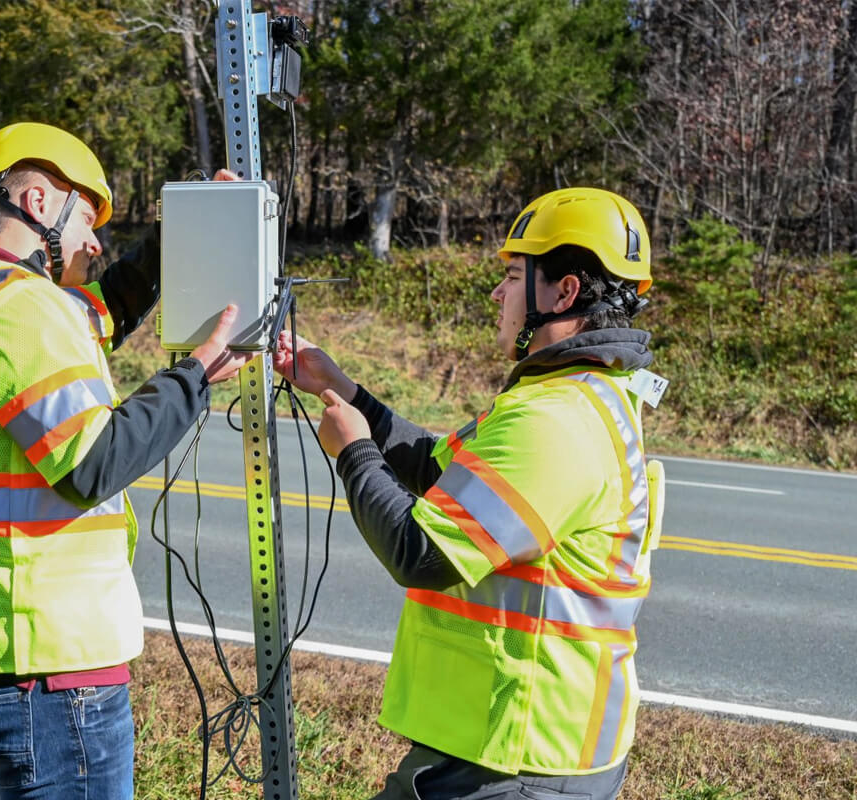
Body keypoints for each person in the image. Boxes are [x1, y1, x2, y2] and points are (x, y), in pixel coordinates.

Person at [273, 187, 667, 800]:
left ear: (564, 292)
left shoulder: (554, 421)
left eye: (513, 275)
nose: (497, 294)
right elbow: (434, 471)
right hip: (511, 746)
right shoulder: (574, 397)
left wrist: (351, 452)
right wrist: (343, 390)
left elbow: (421, 554)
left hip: (522, 760)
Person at [0, 121, 251, 799]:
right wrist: (197, 376)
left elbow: (103, 313)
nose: (95, 242)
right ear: (39, 204)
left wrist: (186, 230)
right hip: (48, 666)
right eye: (87, 217)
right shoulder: (20, 310)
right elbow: (94, 464)